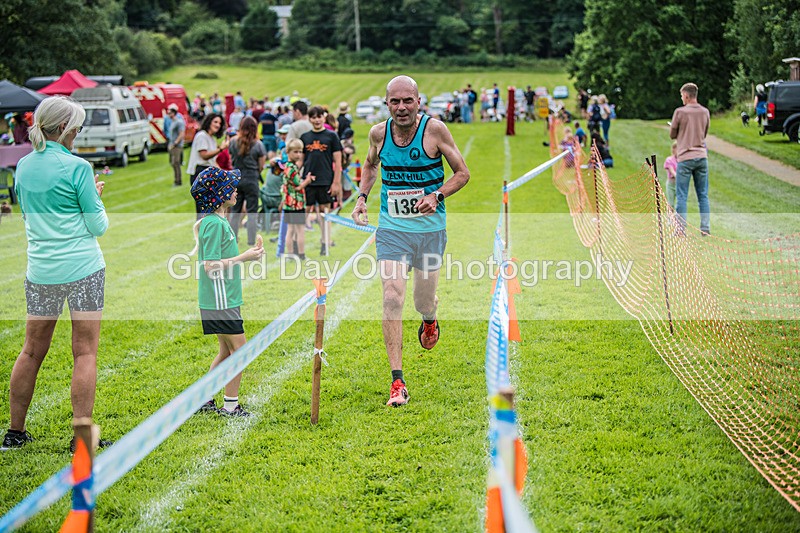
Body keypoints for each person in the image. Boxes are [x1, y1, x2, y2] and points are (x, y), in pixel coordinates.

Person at [351, 75, 470, 407]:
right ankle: (397, 381)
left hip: (430, 231)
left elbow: (462, 173)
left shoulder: (435, 131)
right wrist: (362, 198)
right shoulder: (378, 133)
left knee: (422, 299)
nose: (401, 108)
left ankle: (429, 318)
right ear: (386, 103)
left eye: (407, 101)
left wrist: (437, 194)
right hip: (392, 229)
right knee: (391, 295)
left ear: (419, 101)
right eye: (395, 102)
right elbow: (370, 166)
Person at [3, 96, 111, 451]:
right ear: (65, 129)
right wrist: (95, 197)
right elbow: (98, 225)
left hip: (41, 269)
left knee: (31, 351)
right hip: (83, 268)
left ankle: (14, 433)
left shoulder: (24, 166)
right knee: (85, 352)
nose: (79, 133)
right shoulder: (78, 167)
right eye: (77, 127)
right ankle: (81, 439)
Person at [190, 167, 265, 417]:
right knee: (240, 351)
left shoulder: (219, 221)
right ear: (218, 194)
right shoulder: (213, 223)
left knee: (226, 351)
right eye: (230, 187)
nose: (235, 190)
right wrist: (244, 257)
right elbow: (210, 266)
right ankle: (230, 406)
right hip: (220, 300)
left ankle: (203, 398)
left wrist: (249, 255)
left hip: (224, 298)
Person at [670, 82, 711, 236]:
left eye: (682, 96)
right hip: (701, 156)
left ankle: (680, 230)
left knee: (681, 195)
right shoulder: (705, 112)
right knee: (703, 194)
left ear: (686, 95)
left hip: (685, 157)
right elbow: (704, 133)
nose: (682, 99)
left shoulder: (680, 112)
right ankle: (705, 228)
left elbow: (672, 134)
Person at [301, 105, 342, 256]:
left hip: (326, 180)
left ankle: (325, 243)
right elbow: (301, 161)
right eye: (313, 117)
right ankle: (298, 246)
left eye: (319, 116)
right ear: (310, 119)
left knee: (325, 214)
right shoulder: (305, 137)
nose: (317, 120)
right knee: (304, 212)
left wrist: (336, 182)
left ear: (324, 117)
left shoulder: (332, 136)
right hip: (308, 181)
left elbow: (338, 162)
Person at [228, 116, 267, 246]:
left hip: (236, 179)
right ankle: (251, 240)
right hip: (251, 179)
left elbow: (231, 159)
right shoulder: (258, 145)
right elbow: (261, 165)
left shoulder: (233, 142)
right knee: (252, 212)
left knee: (235, 211)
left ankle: (233, 238)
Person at [187, 113, 228, 216]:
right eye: (215, 122)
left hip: (208, 172)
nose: (218, 125)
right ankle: (201, 230)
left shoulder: (211, 139)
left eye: (220, 123)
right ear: (209, 122)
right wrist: (221, 149)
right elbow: (204, 155)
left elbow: (212, 162)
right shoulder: (202, 136)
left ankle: (207, 230)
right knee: (202, 209)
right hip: (200, 172)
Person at [281, 139, 315, 259]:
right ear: (288, 152)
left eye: (300, 152)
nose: (298, 155)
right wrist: (308, 180)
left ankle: (291, 254)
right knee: (299, 229)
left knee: (291, 229)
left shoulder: (287, 166)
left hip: (288, 204)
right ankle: (301, 254)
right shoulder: (292, 168)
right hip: (296, 204)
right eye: (295, 152)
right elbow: (298, 186)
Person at [166, 103, 186, 186]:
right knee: (173, 163)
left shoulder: (179, 122)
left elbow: (181, 134)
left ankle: (178, 181)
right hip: (172, 145)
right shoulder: (172, 122)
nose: (168, 114)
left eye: (170, 113)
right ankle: (176, 180)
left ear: (174, 113)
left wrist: (175, 143)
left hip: (177, 146)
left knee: (176, 163)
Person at [663, 141, 678, 207]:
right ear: (674, 149)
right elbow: (672, 171)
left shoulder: (682, 161)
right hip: (671, 184)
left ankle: (678, 217)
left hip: (679, 185)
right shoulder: (669, 160)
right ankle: (670, 217)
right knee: (671, 204)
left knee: (679, 203)